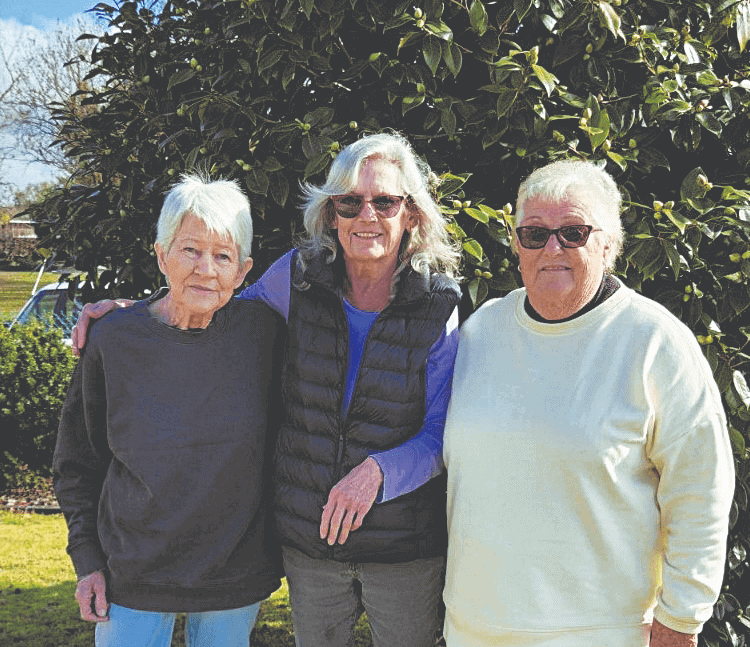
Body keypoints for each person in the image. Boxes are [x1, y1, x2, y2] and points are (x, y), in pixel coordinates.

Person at [71, 132, 463, 647]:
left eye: (385, 201)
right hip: (309, 541)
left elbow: (441, 432)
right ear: (332, 214)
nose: (367, 215)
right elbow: (212, 293)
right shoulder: (297, 278)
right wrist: (134, 313)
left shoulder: (439, 304)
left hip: (403, 542)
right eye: (349, 202)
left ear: (410, 214)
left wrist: (378, 472)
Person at [442, 159, 735, 647]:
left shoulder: (655, 342)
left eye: (573, 232)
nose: (551, 247)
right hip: (473, 630)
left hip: (604, 635)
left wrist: (681, 621)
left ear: (608, 244)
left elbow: (701, 492)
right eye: (534, 234)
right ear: (516, 245)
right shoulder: (480, 332)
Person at [53, 173, 283, 647]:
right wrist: (87, 561)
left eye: (223, 256)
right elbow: (77, 463)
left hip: (233, 575)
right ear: (161, 255)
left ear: (243, 271)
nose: (206, 269)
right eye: (190, 250)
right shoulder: (113, 340)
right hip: (131, 575)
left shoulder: (266, 335)